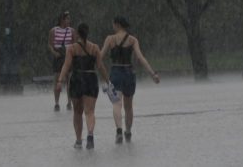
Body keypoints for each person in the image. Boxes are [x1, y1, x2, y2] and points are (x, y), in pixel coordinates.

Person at [99, 15, 159, 143]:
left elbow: (99, 57)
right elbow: (140, 58)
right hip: (129, 73)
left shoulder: (110, 39)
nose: (112, 27)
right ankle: (128, 132)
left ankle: (119, 131)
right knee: (128, 106)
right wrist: (152, 74)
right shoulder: (132, 40)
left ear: (117, 24)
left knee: (116, 103)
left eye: (113, 24)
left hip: (115, 73)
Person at [56, 22, 109, 150]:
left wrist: (60, 80)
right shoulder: (94, 48)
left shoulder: (72, 48)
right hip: (90, 79)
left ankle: (79, 140)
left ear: (77, 34)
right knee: (90, 111)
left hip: (76, 80)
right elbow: (100, 67)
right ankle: (90, 135)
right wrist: (108, 81)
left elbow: (66, 65)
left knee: (77, 112)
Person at [48, 11, 74, 110]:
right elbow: (50, 44)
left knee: (69, 80)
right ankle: (57, 103)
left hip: (68, 55)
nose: (69, 21)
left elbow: (74, 43)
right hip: (58, 57)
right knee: (57, 79)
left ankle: (69, 102)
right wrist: (54, 53)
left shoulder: (72, 31)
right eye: (67, 19)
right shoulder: (53, 30)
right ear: (62, 20)